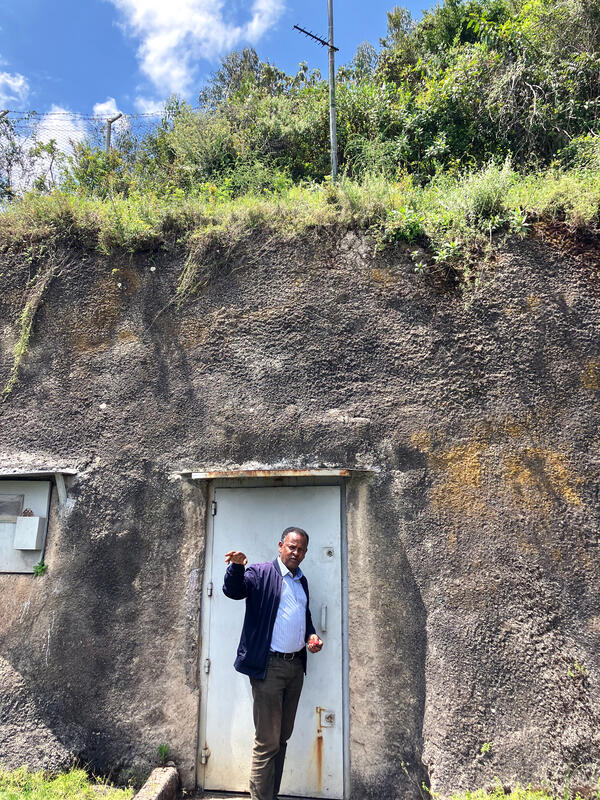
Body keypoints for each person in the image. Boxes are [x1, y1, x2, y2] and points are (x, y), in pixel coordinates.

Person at [223, 526, 324, 800]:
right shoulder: (259, 573)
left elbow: (303, 618)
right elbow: (233, 591)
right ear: (280, 546)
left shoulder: (301, 581)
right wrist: (236, 567)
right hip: (269, 668)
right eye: (292, 546)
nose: (296, 552)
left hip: (295, 669)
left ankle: (271, 795)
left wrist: (311, 636)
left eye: (301, 549)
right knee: (267, 742)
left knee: (281, 739)